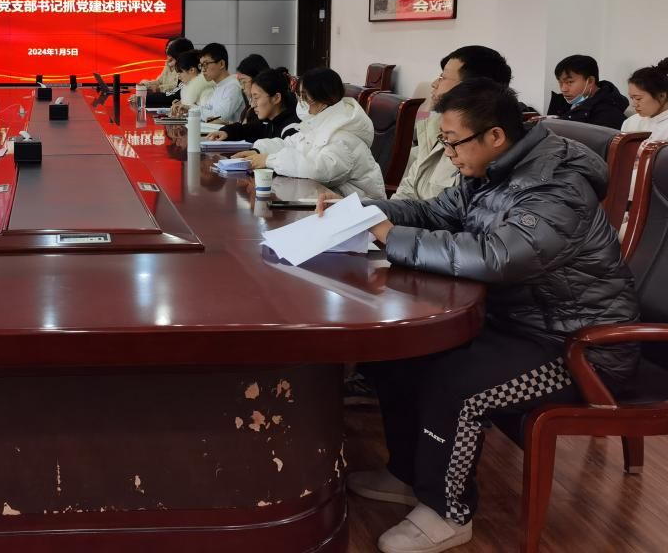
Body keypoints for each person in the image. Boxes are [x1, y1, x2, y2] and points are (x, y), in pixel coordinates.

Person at [344, 80, 638, 553]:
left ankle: (448, 512)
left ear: (495, 136)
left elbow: (499, 256)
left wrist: (391, 237)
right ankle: (408, 472)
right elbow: (435, 213)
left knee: (456, 384)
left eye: (453, 142)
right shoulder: (491, 171)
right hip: (518, 322)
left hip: (580, 345)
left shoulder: (557, 187)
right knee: (400, 355)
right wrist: (360, 212)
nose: (448, 153)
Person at [237, 67, 385, 198]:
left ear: (322, 98)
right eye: (299, 96)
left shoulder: (343, 135)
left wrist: (269, 160)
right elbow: (291, 143)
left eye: (304, 96)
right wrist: (259, 151)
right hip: (328, 201)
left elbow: (320, 171)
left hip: (360, 209)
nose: (300, 101)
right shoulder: (319, 122)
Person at [395, 46, 514, 202]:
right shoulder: (434, 130)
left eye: (443, 77)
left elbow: (454, 213)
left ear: (469, 88)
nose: (434, 84)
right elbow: (407, 193)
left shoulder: (480, 151)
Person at [207, 67, 297, 143]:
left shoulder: (292, 130)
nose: (253, 105)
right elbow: (247, 129)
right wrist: (226, 132)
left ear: (276, 98)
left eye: (256, 97)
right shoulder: (268, 124)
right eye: (252, 98)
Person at [546, 54, 628, 129]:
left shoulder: (608, 113)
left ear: (590, 81)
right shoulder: (561, 102)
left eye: (570, 82)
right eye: (560, 83)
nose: (563, 89)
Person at [621, 58, 668, 143]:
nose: (634, 104)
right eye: (632, 98)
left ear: (662, 96)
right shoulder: (630, 122)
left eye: (638, 98)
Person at [195, 43, 247, 124]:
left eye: (206, 64)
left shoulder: (233, 86)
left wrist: (192, 111)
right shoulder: (219, 85)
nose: (203, 70)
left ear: (221, 64)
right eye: (201, 65)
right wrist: (188, 108)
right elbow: (207, 107)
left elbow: (218, 117)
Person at [138, 37, 194, 107]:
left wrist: (144, 97)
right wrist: (146, 85)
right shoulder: (173, 66)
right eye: (167, 48)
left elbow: (173, 95)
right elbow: (160, 81)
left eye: (174, 58)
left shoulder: (189, 72)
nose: (179, 76)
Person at [169, 48, 214, 117]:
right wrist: (181, 104)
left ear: (192, 70)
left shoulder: (207, 90)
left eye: (181, 72)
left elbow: (210, 115)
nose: (178, 77)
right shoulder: (192, 90)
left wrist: (189, 108)